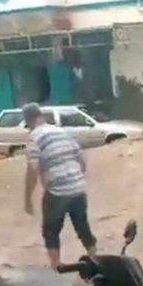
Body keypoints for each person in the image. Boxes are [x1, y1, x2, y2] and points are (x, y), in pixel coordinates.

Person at [20, 102, 96, 269]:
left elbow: (32, 170)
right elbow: (82, 161)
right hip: (79, 188)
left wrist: (27, 198)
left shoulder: (34, 137)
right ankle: (96, 259)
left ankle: (56, 266)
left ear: (28, 121)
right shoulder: (62, 132)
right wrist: (74, 178)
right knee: (82, 226)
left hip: (58, 191)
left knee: (50, 230)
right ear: (41, 116)